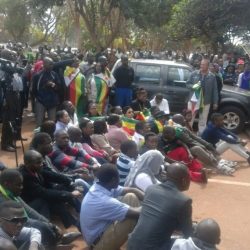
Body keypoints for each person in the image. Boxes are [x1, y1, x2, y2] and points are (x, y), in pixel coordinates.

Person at [0, 169, 80, 248]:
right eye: (18, 185)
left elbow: (28, 209)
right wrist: (45, 225)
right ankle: (54, 243)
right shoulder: (2, 198)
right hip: (10, 228)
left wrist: (49, 224)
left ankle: (52, 237)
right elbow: (17, 220)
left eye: (22, 184)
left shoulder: (9, 192)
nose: (21, 187)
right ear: (6, 184)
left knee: (42, 203)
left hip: (18, 219)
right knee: (38, 226)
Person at [127, 163, 193, 250]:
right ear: (184, 180)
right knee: (191, 242)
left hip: (132, 244)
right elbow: (188, 233)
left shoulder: (151, 189)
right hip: (153, 248)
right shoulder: (184, 201)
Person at [80, 163, 143, 250]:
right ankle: (140, 243)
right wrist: (155, 203)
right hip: (98, 245)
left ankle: (137, 238)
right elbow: (138, 213)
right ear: (113, 180)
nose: (119, 179)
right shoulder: (103, 200)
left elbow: (132, 190)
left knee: (131, 196)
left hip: (100, 234)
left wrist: (147, 197)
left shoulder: (101, 186)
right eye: (118, 177)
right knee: (132, 218)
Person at [20, 150, 81, 229]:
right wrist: (70, 194)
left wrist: (70, 182)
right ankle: (74, 225)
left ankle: (79, 210)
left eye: (41, 162)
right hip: (32, 203)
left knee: (65, 187)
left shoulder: (36, 169)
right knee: (54, 201)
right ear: (27, 164)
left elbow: (53, 176)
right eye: (38, 163)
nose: (41, 164)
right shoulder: (25, 176)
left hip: (41, 195)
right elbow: (43, 193)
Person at [187, 59, 218, 134]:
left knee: (203, 120)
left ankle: (201, 135)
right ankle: (188, 133)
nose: (202, 66)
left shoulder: (212, 76)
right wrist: (194, 86)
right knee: (190, 118)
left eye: (204, 65)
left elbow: (215, 90)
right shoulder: (194, 73)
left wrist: (215, 102)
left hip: (205, 102)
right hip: (193, 100)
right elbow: (187, 84)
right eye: (201, 64)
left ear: (208, 66)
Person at [32, 57, 61, 127]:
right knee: (39, 123)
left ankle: (51, 137)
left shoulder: (54, 75)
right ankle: (38, 137)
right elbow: (34, 90)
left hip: (52, 102)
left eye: (52, 64)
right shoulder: (37, 75)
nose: (52, 66)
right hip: (41, 101)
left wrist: (53, 85)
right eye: (50, 64)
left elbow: (59, 88)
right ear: (44, 64)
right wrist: (44, 87)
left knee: (52, 123)